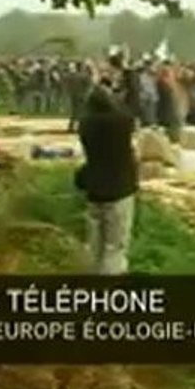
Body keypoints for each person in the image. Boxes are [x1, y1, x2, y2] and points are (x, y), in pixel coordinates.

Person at [76, 85, 138, 274]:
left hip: (94, 189)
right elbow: (130, 111)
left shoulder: (86, 124)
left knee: (95, 245)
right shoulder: (121, 123)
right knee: (115, 246)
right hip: (119, 189)